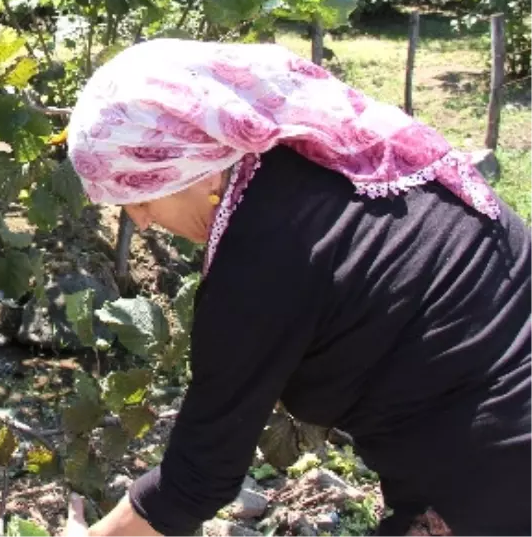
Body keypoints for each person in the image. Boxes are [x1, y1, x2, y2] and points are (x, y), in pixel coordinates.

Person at [60, 39, 532, 537]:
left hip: (500, 474)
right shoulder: (346, 152)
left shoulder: (259, 256)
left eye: (139, 193)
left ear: (195, 164)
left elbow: (197, 479)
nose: (141, 219)